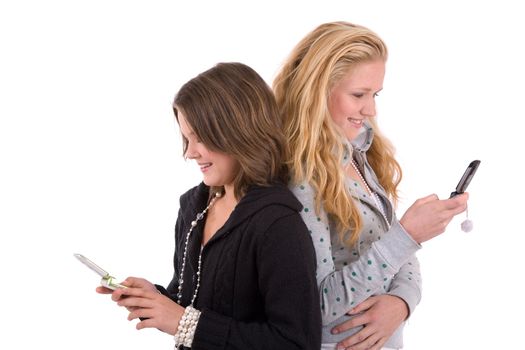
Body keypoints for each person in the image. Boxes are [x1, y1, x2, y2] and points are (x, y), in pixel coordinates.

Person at [97, 62, 322, 349]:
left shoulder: (277, 225)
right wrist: (153, 298)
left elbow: (296, 343)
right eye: (187, 138)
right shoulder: (193, 206)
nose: (190, 152)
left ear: (239, 131)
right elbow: (191, 302)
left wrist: (183, 322)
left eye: (200, 138)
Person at [273, 21, 469, 350]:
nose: (371, 109)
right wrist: (407, 235)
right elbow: (316, 305)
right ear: (317, 90)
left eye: (375, 94)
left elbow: (398, 252)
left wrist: (402, 303)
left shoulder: (358, 152)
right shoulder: (300, 180)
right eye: (359, 95)